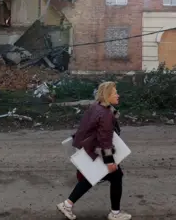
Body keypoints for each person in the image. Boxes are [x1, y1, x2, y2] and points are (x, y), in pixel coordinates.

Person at [56, 81, 131, 220]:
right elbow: (105, 140)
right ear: (107, 95)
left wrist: (112, 110)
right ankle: (115, 214)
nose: (118, 95)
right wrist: (109, 162)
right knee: (113, 176)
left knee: (93, 176)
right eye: (115, 93)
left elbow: (109, 114)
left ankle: (67, 204)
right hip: (97, 150)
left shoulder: (96, 106)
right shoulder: (106, 115)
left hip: (88, 147)